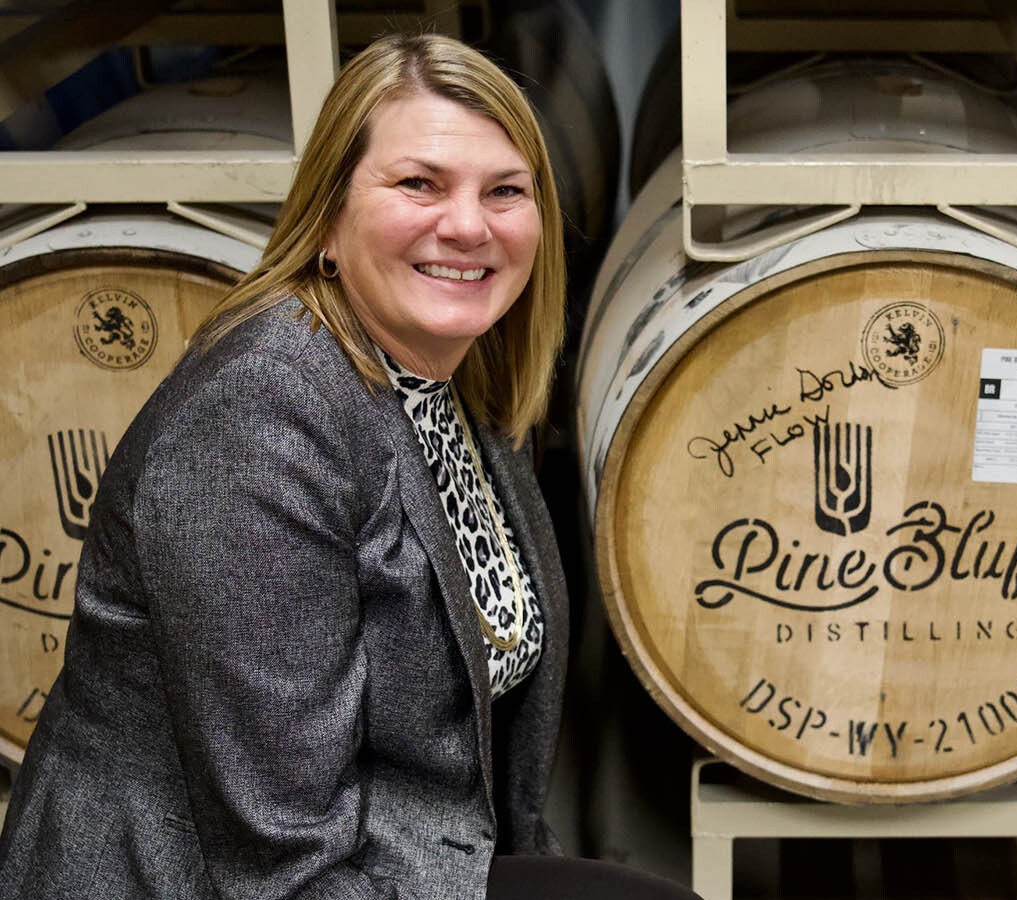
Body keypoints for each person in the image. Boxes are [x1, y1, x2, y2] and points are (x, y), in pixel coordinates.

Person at [0, 33, 609, 899]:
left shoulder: (455, 374)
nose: (469, 224)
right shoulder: (260, 419)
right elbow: (279, 856)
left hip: (415, 862)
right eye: (418, 184)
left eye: (505, 191)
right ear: (328, 217)